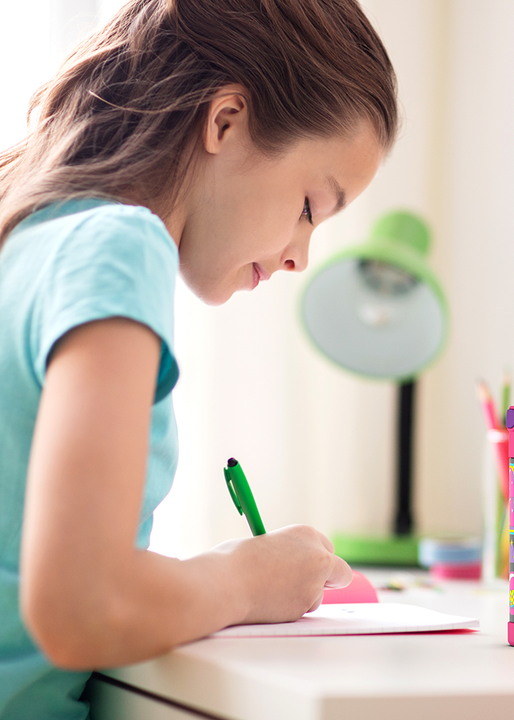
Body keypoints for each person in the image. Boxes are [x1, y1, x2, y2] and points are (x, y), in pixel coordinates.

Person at [0, 0, 398, 716]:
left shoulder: (29, 236)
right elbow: (78, 607)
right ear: (224, 121)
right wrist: (245, 580)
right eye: (311, 205)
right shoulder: (118, 245)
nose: (299, 256)